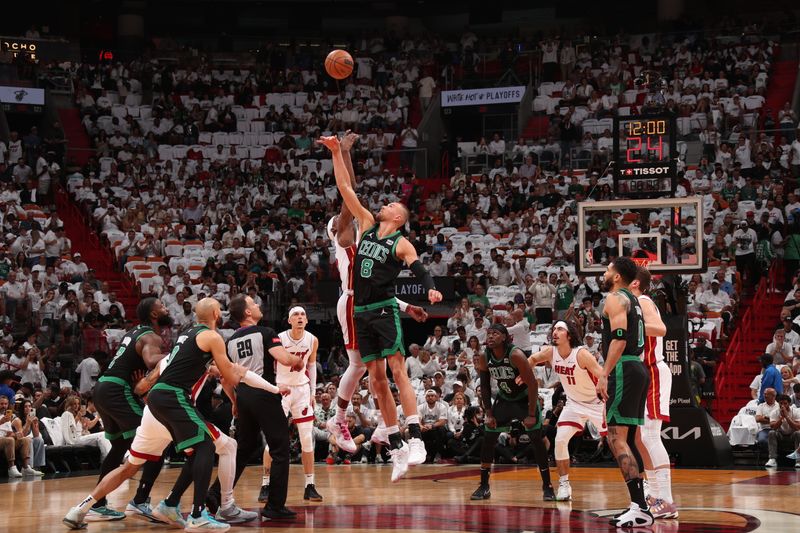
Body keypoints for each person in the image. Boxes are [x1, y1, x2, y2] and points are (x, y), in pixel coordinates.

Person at [62, 302, 282, 529]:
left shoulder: (178, 348)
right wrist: (260, 384)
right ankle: (202, 514)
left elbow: (140, 388)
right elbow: (230, 376)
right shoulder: (211, 339)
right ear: (216, 314)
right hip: (174, 402)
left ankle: (80, 509)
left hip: (153, 410)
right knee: (209, 447)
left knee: (131, 466)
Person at [318, 135, 442, 482]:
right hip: (360, 309)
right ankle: (397, 444)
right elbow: (345, 187)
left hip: (384, 309)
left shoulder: (401, 242)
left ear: (399, 217)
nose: (385, 204)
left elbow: (419, 267)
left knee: (397, 371)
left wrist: (430, 291)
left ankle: (416, 437)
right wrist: (336, 153)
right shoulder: (368, 225)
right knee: (375, 381)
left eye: (391, 204)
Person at [206, 294, 303, 522]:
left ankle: (214, 495)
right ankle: (274, 506)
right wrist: (297, 360)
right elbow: (284, 359)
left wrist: (234, 402)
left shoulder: (229, 342)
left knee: (243, 450)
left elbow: (227, 379)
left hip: (244, 396)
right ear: (248, 313)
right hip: (264, 393)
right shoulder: (265, 333)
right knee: (280, 449)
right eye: (253, 303)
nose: (258, 305)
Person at [80, 298, 171, 522]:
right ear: (153, 315)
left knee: (119, 445)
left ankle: (98, 504)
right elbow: (151, 361)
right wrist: (180, 355)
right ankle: (140, 500)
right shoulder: (152, 336)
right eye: (162, 306)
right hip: (117, 390)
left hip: (103, 389)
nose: (166, 308)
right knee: (157, 441)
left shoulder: (133, 333)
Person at [595, 257, 653, 528]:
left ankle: (639, 506)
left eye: (608, 270)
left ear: (617, 276)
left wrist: (604, 374)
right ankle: (641, 505)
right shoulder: (635, 301)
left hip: (623, 368)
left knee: (616, 438)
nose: (605, 273)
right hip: (638, 368)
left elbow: (618, 338)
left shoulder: (616, 298)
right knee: (629, 439)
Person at [524, 320, 606, 501]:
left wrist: (609, 402)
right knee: (560, 440)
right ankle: (564, 484)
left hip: (597, 404)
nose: (555, 332)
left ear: (569, 334)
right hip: (574, 404)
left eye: (560, 329)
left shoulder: (581, 354)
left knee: (618, 443)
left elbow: (602, 375)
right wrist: (524, 373)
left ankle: (642, 483)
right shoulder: (551, 352)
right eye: (553, 329)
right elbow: (533, 359)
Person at [471, 323, 554, 501]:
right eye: (488, 333)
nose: (490, 336)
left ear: (504, 337)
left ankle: (547, 486)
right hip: (505, 400)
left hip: (524, 400)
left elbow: (532, 384)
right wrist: (489, 413)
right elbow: (484, 387)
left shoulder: (515, 354)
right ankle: (484, 486)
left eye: (495, 333)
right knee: (488, 439)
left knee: (536, 441)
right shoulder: (485, 357)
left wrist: (531, 414)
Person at [630, 267, 678, 519]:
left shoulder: (643, 301)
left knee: (649, 435)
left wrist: (629, 324)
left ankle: (666, 500)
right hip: (640, 374)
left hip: (653, 371)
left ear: (635, 282)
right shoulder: (630, 303)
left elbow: (660, 329)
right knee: (639, 437)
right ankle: (655, 493)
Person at [263, 306, 323, 502]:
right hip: (281, 388)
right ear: (289, 320)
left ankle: (310, 485)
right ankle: (265, 484)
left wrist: (313, 393)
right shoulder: (278, 338)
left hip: (302, 390)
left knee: (307, 438)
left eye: (303, 315)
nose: (300, 317)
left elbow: (312, 366)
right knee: (274, 439)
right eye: (295, 315)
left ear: (306, 320)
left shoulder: (312, 340)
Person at [0, 395, 40, 477]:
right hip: (3, 440)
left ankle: (26, 468)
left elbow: (10, 433)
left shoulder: (7, 416)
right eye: (1, 404)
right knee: (10, 440)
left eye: (5, 404)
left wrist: (15, 434)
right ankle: (11, 468)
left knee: (26, 440)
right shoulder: (4, 418)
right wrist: (1, 422)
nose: (4, 406)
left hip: (6, 441)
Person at [766, 394, 800, 468]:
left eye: (785, 403)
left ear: (789, 404)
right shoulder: (774, 412)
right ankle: (772, 459)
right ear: (778, 403)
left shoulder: (796, 411)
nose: (783, 405)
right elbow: (773, 427)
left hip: (792, 435)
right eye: (781, 403)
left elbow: (797, 428)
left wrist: (787, 416)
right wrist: (781, 418)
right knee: (771, 433)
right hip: (780, 435)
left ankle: (798, 460)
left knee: (798, 433)